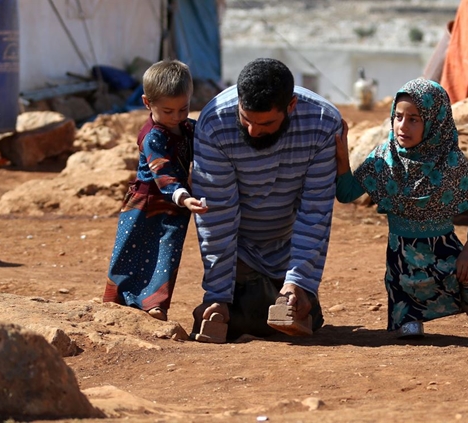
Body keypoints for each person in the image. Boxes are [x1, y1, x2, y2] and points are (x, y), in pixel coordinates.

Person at [335, 78, 468, 339]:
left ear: (434, 122)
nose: (403, 126)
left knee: (461, 278)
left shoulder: (449, 162)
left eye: (414, 119)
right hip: (401, 257)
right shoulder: (383, 158)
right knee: (405, 308)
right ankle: (410, 321)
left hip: (444, 250)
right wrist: (343, 161)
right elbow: (346, 193)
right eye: (398, 117)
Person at [190, 58, 342, 342]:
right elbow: (217, 216)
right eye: (246, 119)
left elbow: (315, 212)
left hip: (286, 247)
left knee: (298, 313)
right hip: (240, 250)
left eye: (267, 123)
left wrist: (298, 281)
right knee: (245, 318)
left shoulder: (322, 124)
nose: (253, 131)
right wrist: (218, 294)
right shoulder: (214, 124)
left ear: (291, 106)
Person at [103, 60, 208, 321]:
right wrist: (184, 196)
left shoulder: (188, 127)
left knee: (166, 255)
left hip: (175, 205)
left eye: (183, 108)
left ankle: (155, 304)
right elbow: (162, 172)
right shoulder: (153, 136)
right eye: (168, 110)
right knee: (132, 252)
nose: (177, 116)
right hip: (146, 203)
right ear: (147, 103)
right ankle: (120, 301)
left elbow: (207, 141)